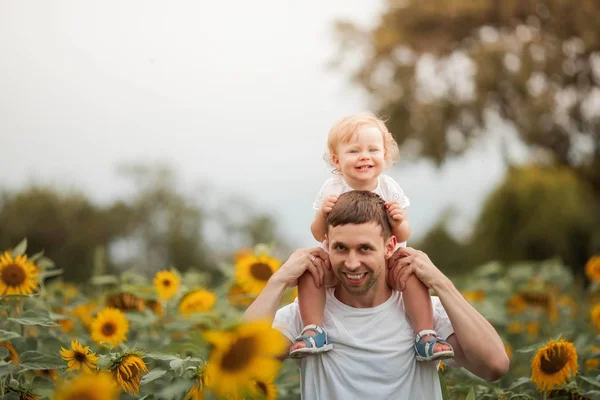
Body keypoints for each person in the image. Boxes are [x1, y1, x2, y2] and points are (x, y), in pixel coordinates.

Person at [243, 191, 509, 399]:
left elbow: (494, 366)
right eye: (340, 248)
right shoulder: (307, 317)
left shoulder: (425, 314)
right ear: (326, 245)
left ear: (390, 246)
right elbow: (244, 365)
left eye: (365, 249)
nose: (351, 262)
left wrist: (441, 283)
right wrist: (277, 281)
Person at [291, 111, 453, 362]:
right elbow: (317, 233)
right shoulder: (332, 188)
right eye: (354, 151)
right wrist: (323, 214)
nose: (364, 156)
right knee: (311, 270)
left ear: (385, 156)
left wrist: (399, 220)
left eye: (373, 150)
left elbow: (403, 234)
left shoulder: (389, 188)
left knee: (413, 272)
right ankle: (313, 329)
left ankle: (425, 335)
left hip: (388, 263)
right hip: (340, 263)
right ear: (336, 160)